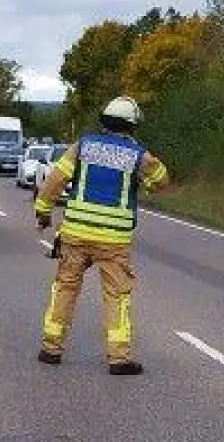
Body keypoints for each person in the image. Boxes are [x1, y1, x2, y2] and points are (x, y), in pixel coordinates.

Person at [33, 96, 171, 375]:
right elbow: (162, 181)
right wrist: (145, 176)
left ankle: (51, 348)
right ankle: (119, 359)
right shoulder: (136, 154)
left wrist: (43, 212)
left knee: (65, 288)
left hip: (75, 235)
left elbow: (55, 181)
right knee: (116, 295)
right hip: (113, 241)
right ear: (132, 126)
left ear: (104, 121)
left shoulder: (83, 146)